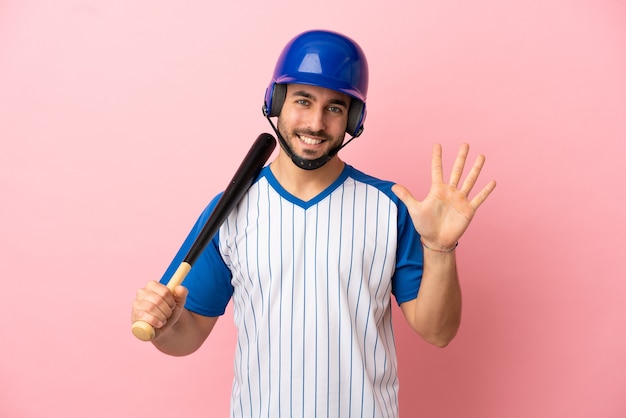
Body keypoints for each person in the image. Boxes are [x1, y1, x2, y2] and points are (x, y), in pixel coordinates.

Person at [131, 29, 496, 417]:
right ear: (276, 102)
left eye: (335, 108)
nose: (316, 123)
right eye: (303, 101)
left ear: (353, 119)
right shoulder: (229, 210)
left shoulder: (392, 206)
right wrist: (166, 324)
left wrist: (440, 249)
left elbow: (438, 332)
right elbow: (187, 337)